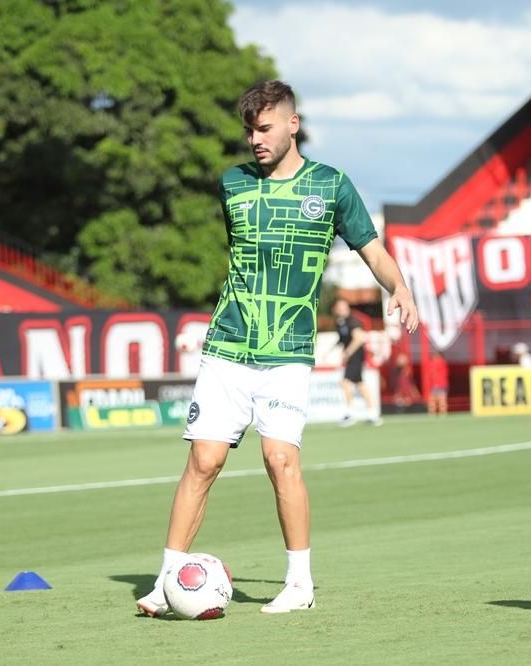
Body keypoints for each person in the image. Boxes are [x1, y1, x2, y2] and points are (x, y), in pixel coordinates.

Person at [136, 80, 418, 617]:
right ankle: (167, 579)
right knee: (203, 460)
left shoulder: (332, 186)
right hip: (228, 343)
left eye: (264, 128)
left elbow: (371, 249)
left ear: (292, 124)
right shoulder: (233, 184)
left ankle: (299, 585)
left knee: (280, 459)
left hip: (288, 348)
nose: (254, 139)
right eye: (248, 130)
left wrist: (398, 287)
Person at [333, 298, 381, 427]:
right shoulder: (340, 323)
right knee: (360, 384)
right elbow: (342, 340)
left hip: (356, 356)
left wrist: (347, 353)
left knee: (345, 382)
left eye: (344, 307)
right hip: (350, 357)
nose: (341, 309)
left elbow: (359, 338)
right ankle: (373, 413)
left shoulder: (353, 321)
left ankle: (350, 413)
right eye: (339, 307)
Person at [426, 351, 449, 416]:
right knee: (437, 401)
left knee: (438, 400)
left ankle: (437, 414)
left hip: (439, 384)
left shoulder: (438, 362)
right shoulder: (442, 363)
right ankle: (441, 414)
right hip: (439, 384)